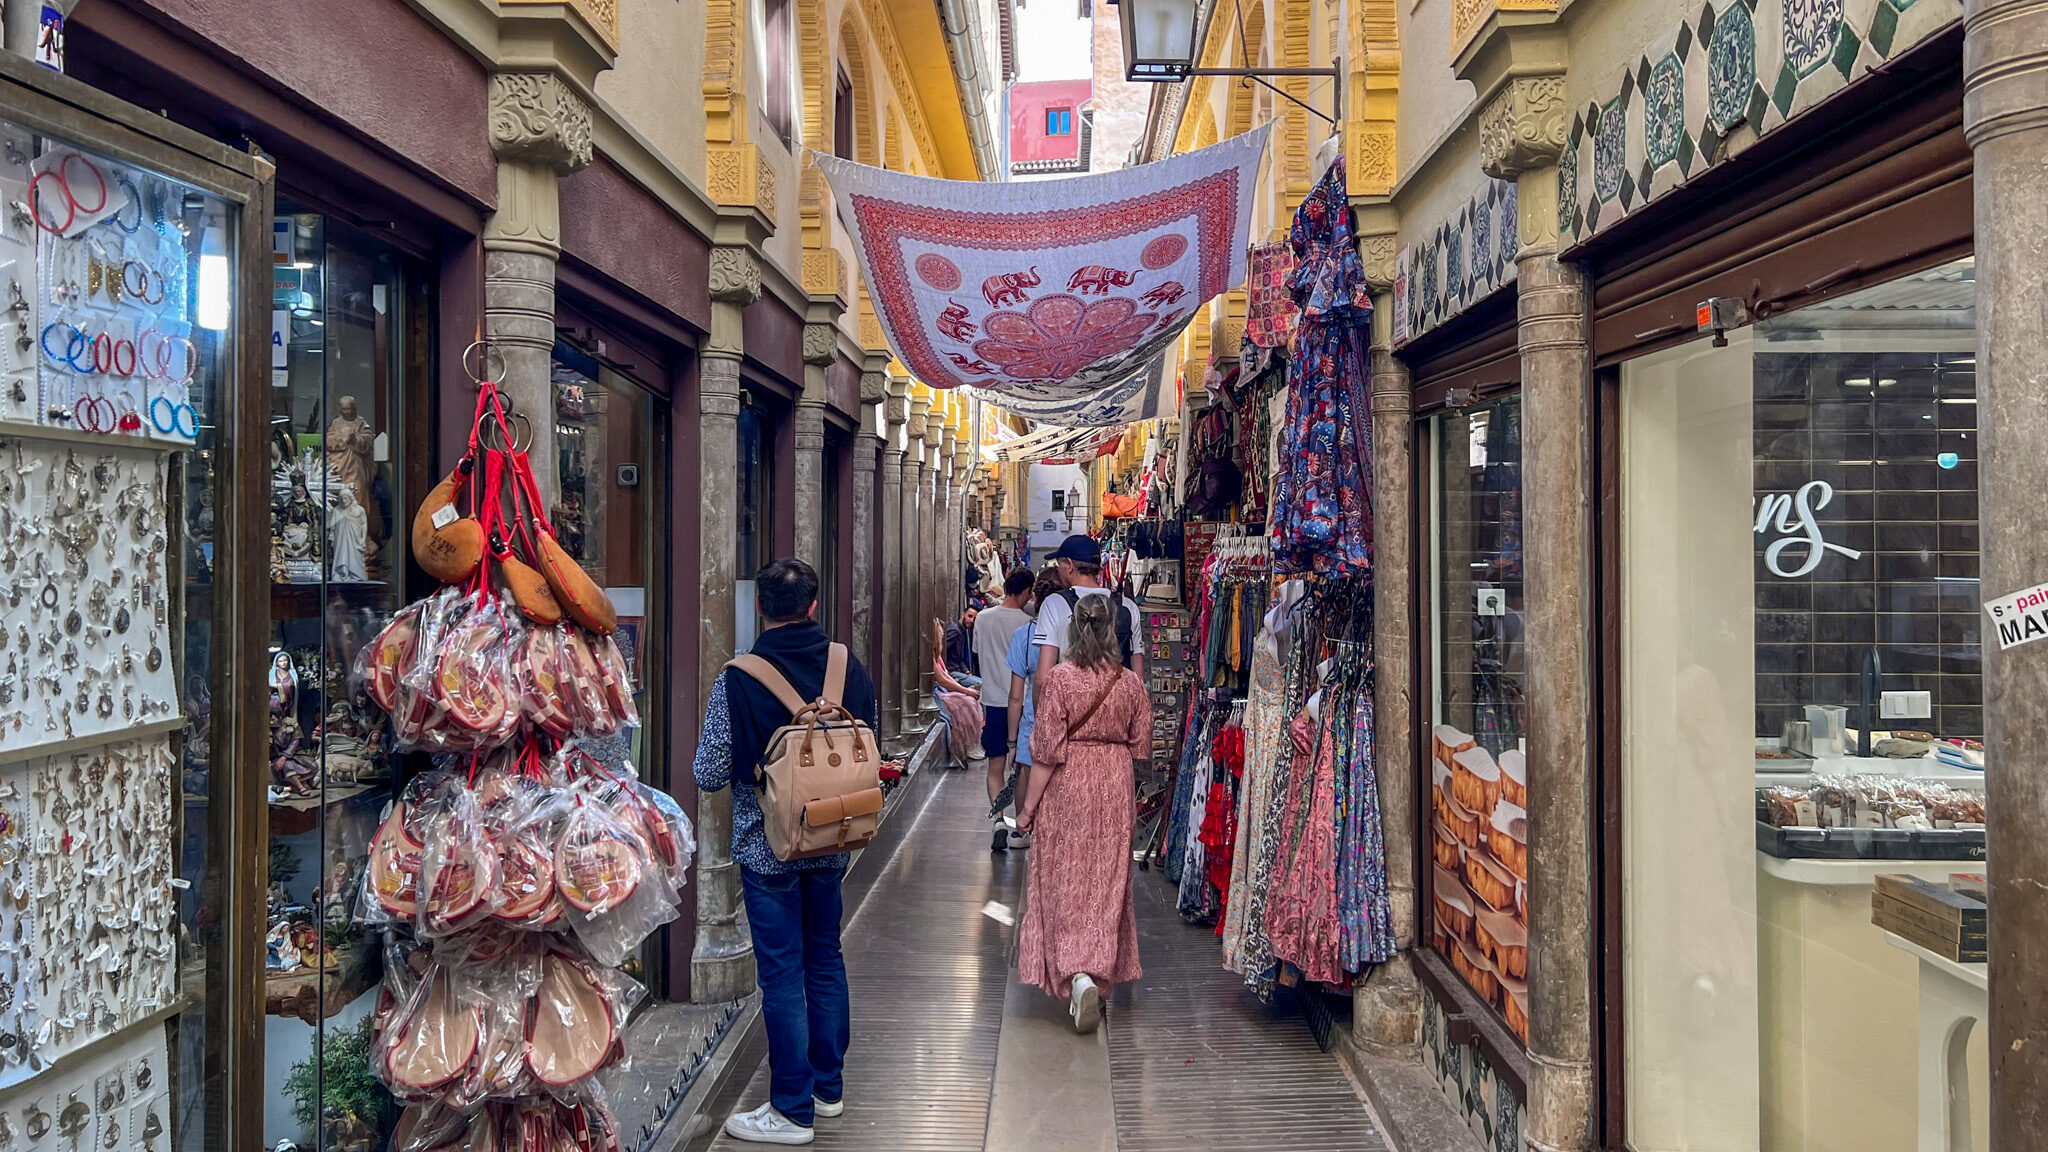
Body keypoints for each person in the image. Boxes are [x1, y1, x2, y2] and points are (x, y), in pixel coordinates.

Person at [694, 558, 878, 1146]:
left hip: (767, 848)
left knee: (781, 975)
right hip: (831, 841)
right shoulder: (847, 666)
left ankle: (791, 1108)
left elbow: (708, 771)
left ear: (759, 608)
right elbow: (864, 742)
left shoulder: (739, 677)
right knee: (825, 961)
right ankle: (828, 1090)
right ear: (814, 606)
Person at [1017, 594, 1152, 1033]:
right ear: (1112, 630)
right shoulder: (1129, 683)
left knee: (1065, 877)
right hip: (1114, 784)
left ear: (1074, 630)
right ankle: (1095, 970)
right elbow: (1142, 744)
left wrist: (1027, 810)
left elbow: (1045, 753)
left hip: (1067, 785)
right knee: (1107, 881)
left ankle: (1075, 973)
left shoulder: (1058, 680)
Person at [997, 567, 1066, 851]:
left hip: (1031, 718)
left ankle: (1023, 830)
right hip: (1065, 716)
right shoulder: (1073, 630)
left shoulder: (1024, 635)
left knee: (1026, 770)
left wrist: (1011, 741)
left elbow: (1015, 695)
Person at [972, 569, 1037, 849]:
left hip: (993, 699)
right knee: (1022, 767)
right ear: (1025, 592)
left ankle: (998, 818)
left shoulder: (983, 618)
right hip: (1022, 702)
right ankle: (1019, 829)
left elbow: (976, 654)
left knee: (995, 765)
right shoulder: (1028, 624)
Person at [1033, 535, 1145, 683]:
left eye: (1059, 565)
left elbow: (1044, 678)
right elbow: (1138, 676)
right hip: (1117, 701)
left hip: (1072, 700)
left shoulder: (1054, 604)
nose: (1058, 570)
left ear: (1070, 565)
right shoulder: (1127, 606)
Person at [930, 619, 985, 764]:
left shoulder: (937, 655)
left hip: (945, 687)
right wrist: (965, 691)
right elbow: (942, 679)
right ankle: (957, 750)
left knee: (971, 701)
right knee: (964, 705)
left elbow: (945, 675)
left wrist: (964, 689)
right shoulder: (930, 655)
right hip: (937, 692)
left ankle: (972, 744)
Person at [942, 606, 978, 676]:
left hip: (957, 670)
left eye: (974, 619)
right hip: (951, 671)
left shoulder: (962, 631)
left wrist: (967, 671)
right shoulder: (955, 631)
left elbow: (959, 658)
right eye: (969, 616)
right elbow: (941, 649)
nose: (971, 620)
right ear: (963, 614)